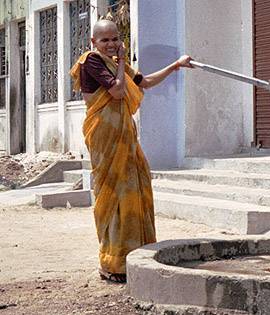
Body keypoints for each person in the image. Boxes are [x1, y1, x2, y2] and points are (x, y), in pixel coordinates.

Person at [70, 19, 192, 283]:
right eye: (105, 40)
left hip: (125, 137)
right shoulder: (91, 60)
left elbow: (144, 82)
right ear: (94, 42)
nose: (112, 44)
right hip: (105, 136)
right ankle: (112, 263)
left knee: (135, 189)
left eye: (115, 39)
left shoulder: (115, 64)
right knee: (114, 194)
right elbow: (117, 91)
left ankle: (135, 256)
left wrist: (176, 66)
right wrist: (123, 60)